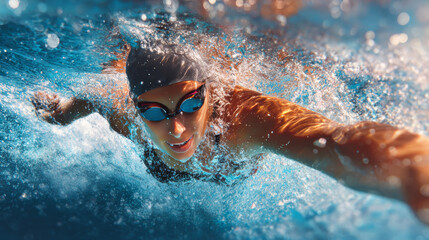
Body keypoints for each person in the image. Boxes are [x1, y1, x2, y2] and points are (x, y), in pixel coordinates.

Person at [31, 42, 429, 224]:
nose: (176, 127)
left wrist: (415, 170)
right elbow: (76, 106)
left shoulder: (245, 119)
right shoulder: (122, 112)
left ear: (210, 92)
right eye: (153, 112)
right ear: (137, 108)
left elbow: (338, 143)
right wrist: (57, 112)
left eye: (190, 104)